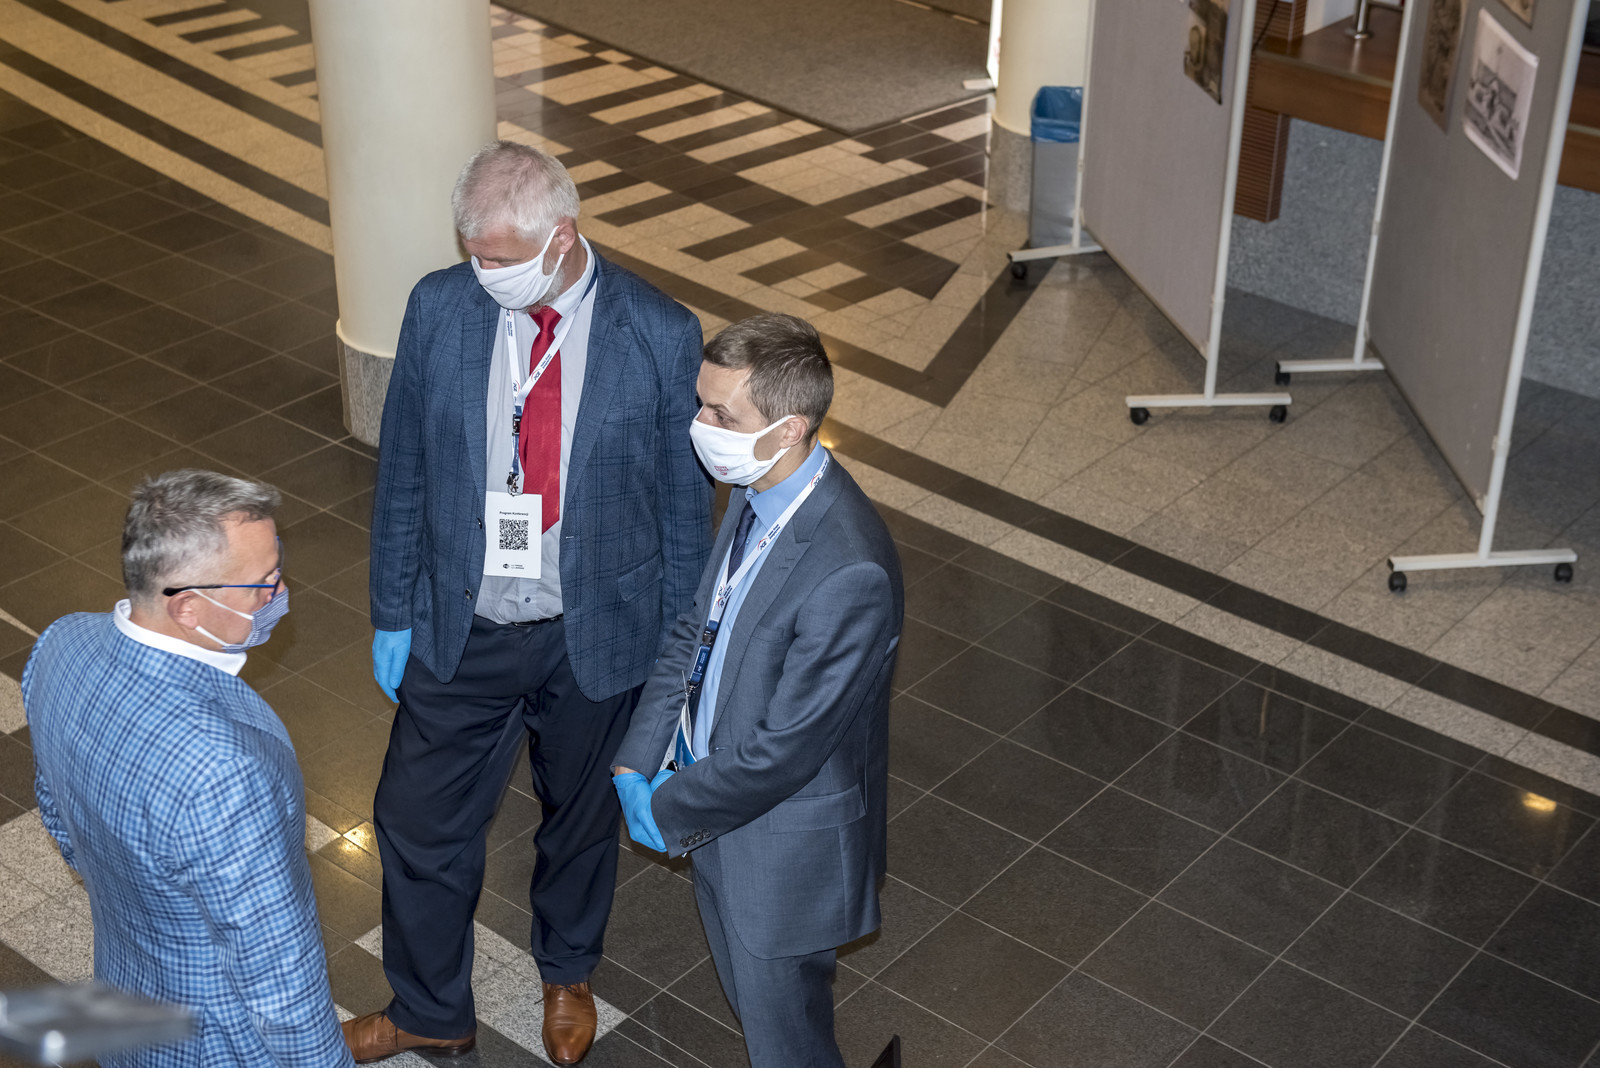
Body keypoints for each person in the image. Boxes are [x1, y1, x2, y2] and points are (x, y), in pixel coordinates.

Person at [354, 140, 710, 1065]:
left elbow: (684, 512)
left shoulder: (659, 331)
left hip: (596, 632)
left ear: (563, 237)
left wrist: (682, 669)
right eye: (474, 255)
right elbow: (403, 466)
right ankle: (428, 1009)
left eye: (502, 259)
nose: (486, 275)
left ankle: (568, 970)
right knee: (417, 821)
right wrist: (392, 609)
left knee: (580, 818)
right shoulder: (440, 307)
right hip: (461, 624)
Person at [612, 313, 904, 1068]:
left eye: (721, 414)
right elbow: (697, 626)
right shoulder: (756, 488)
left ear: (789, 430)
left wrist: (668, 807)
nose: (700, 427)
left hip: (779, 852)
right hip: (709, 800)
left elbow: (784, 752)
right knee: (761, 1017)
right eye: (701, 404)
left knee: (785, 1046)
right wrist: (638, 758)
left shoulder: (850, 570)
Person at [21, 470, 352, 1068]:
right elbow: (277, 972)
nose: (279, 592)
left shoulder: (63, 644)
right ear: (190, 607)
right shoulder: (223, 771)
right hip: (214, 1041)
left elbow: (57, 810)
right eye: (261, 584)